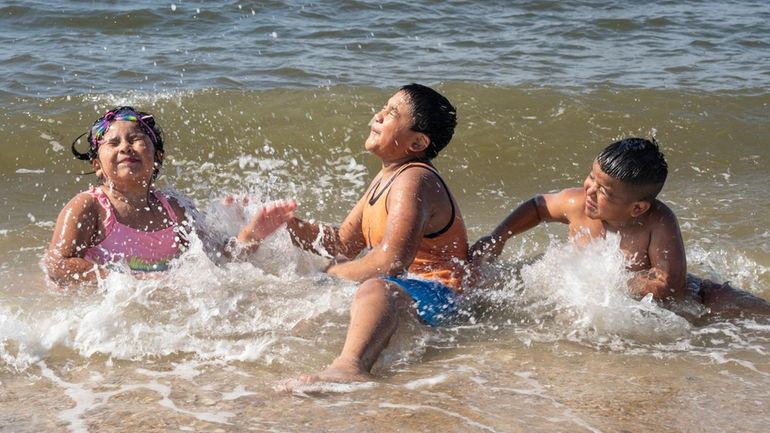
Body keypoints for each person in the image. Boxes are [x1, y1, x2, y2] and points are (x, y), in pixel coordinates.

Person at [284, 84, 469, 385]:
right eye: (384, 107)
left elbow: (391, 262)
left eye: (392, 113)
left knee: (375, 288)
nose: (379, 115)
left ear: (418, 142)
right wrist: (284, 224)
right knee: (336, 274)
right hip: (404, 286)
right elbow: (342, 241)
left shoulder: (415, 179)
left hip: (439, 295)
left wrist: (334, 273)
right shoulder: (387, 175)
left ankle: (350, 368)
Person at [470, 137, 770, 318]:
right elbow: (538, 207)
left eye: (604, 191)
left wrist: (608, 284)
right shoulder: (578, 204)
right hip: (613, 296)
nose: (589, 190)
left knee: (746, 311)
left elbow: (670, 286)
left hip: (691, 299)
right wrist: (498, 236)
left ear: (637, 208)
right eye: (592, 177)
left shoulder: (657, 222)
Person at [46, 106, 296, 287]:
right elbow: (57, 264)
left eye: (135, 139)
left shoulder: (174, 209)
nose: (125, 146)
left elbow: (218, 258)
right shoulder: (90, 207)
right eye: (113, 143)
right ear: (97, 165)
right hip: (100, 318)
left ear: (158, 157)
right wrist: (132, 281)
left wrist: (251, 235)